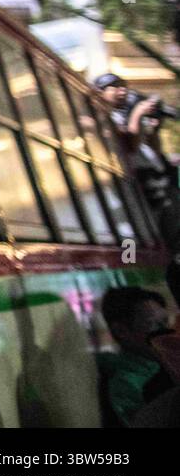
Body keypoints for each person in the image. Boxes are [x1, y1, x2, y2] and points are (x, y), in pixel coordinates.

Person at [94, 73, 180, 250]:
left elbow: (151, 147)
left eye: (123, 85)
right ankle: (133, 260)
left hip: (156, 177)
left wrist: (154, 129)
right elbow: (130, 143)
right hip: (130, 183)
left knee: (171, 223)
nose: (122, 90)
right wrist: (138, 113)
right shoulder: (98, 116)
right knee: (135, 232)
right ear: (100, 92)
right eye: (115, 86)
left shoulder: (123, 114)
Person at [97, 286, 175, 426]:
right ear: (121, 331)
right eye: (153, 324)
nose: (166, 331)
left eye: (165, 322)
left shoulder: (166, 361)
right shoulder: (127, 385)